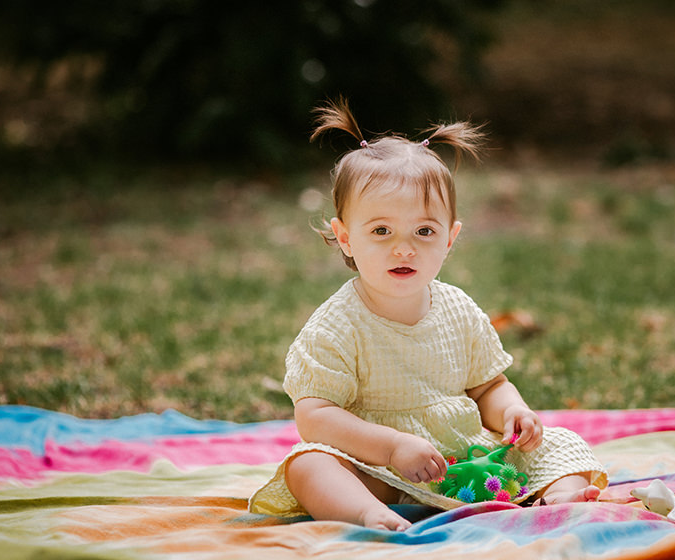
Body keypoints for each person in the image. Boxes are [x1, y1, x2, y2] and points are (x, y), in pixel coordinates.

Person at [249, 98, 607, 531]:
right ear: (344, 237)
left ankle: (558, 497)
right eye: (381, 231)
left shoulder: (458, 310)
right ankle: (366, 513)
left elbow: (488, 384)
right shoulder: (338, 326)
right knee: (309, 466)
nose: (404, 248)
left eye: (424, 231)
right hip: (378, 468)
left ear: (450, 237)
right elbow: (315, 416)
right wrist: (392, 447)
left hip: (467, 458)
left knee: (557, 442)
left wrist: (512, 411)